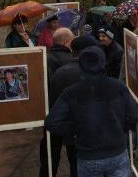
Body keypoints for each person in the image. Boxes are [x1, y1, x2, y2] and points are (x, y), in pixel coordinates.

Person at [45, 46, 138, 177]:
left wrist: (75, 131)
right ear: (102, 62)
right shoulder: (118, 87)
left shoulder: (71, 92)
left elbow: (52, 122)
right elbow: (133, 115)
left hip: (88, 156)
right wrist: (119, 129)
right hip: (116, 153)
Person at [41, 36, 96, 177]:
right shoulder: (90, 72)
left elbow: (52, 97)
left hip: (58, 121)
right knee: (77, 163)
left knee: (51, 158)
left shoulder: (60, 72)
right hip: (80, 128)